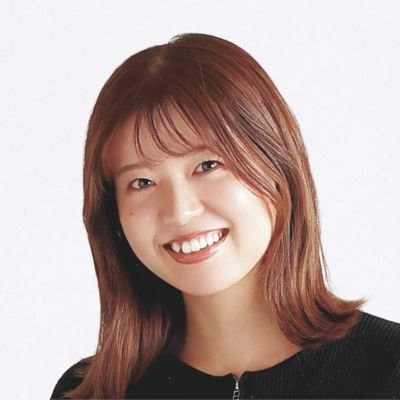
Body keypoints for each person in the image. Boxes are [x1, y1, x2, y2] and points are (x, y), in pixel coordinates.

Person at [50, 33, 400, 399]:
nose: (180, 211)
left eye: (207, 165)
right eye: (142, 182)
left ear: (276, 166)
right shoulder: (89, 392)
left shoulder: (390, 369)